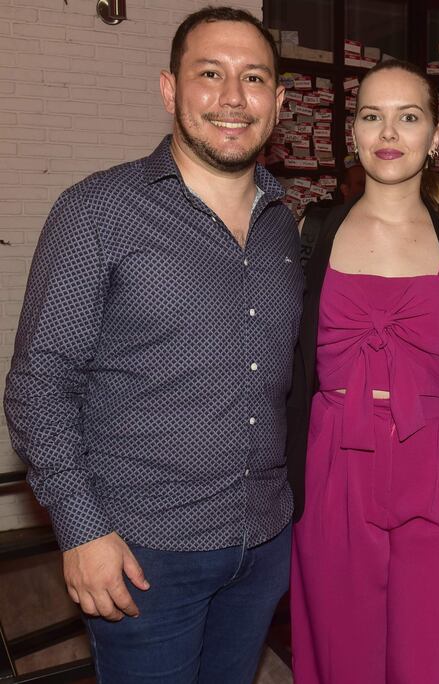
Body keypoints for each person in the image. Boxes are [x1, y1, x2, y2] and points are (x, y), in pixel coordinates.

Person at [4, 7, 301, 683]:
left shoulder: (287, 226)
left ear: (278, 103)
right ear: (170, 90)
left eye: (253, 78)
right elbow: (39, 382)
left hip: (261, 541)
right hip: (143, 552)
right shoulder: (97, 211)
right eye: (210, 74)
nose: (232, 97)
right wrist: (80, 528)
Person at [286, 59, 439, 684]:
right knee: (342, 660)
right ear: (353, 132)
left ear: (436, 137)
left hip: (436, 472)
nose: (389, 131)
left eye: (408, 117)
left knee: (428, 665)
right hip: (334, 471)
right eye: (372, 115)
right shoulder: (311, 234)